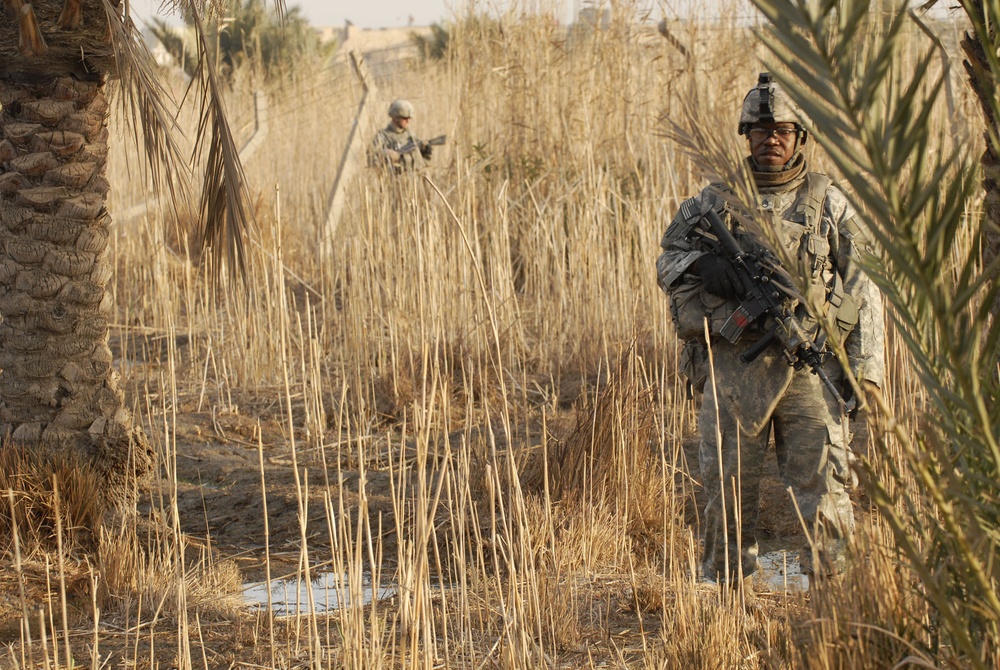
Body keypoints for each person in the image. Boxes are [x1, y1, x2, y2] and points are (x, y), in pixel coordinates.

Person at [655, 73, 885, 584]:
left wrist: (866, 371)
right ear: (746, 136)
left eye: (781, 129)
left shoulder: (829, 202)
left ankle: (837, 598)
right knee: (727, 489)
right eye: (759, 130)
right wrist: (704, 266)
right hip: (735, 370)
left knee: (825, 489)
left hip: (809, 364)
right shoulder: (711, 203)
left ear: (800, 135)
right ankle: (726, 594)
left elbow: (864, 284)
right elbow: (666, 261)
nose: (771, 138)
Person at [370, 99, 434, 173]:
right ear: (395, 118)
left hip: (412, 180)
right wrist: (385, 154)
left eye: (409, 118)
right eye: (404, 118)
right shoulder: (382, 136)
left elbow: (423, 163)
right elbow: (372, 158)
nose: (408, 121)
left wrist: (425, 150)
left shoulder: (411, 136)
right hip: (393, 180)